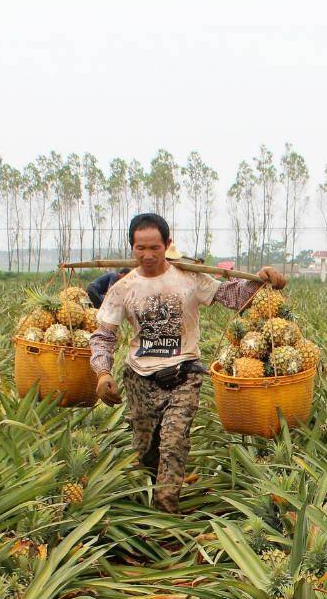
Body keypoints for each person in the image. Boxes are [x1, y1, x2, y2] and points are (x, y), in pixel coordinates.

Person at [90, 212, 286, 513]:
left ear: (167, 244)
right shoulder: (122, 287)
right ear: (131, 247)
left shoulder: (189, 276)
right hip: (140, 377)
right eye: (140, 248)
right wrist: (103, 372)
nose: (147, 255)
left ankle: (165, 517)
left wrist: (260, 281)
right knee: (146, 452)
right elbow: (104, 335)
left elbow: (231, 296)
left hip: (183, 375)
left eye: (154, 247)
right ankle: (153, 496)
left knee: (173, 443)